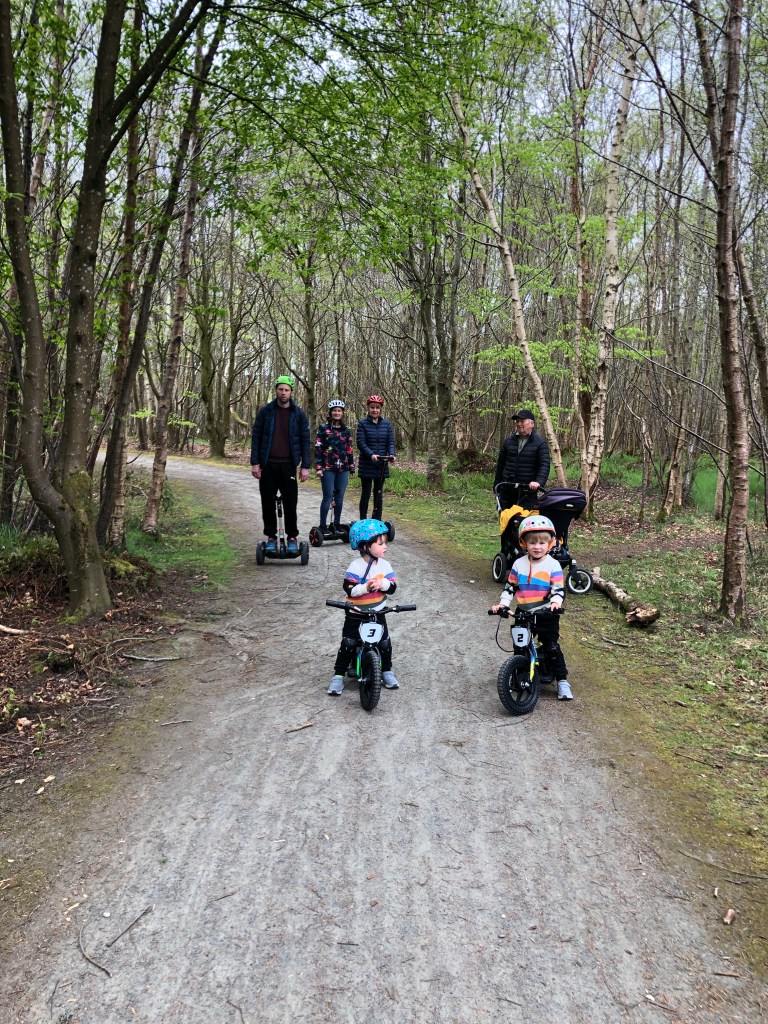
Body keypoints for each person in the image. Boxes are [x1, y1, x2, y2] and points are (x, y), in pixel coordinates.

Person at [491, 513, 573, 701]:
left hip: (546, 612)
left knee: (551, 646)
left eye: (542, 543)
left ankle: (562, 681)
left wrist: (555, 603)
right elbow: (510, 588)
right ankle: (521, 672)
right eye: (532, 542)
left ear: (550, 543)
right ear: (524, 543)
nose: (537, 547)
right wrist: (502, 605)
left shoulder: (553, 565)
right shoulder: (518, 564)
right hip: (523, 612)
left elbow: (558, 589)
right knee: (520, 646)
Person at [327, 518, 401, 695]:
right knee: (348, 643)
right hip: (356, 613)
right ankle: (338, 676)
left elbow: (392, 587)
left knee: (384, 643)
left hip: (378, 612)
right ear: (365, 546)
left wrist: (382, 584)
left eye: (385, 542)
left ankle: (386, 670)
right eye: (380, 543)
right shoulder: (356, 566)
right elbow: (350, 589)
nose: (385, 546)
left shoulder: (385, 565)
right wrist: (365, 587)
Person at [250, 375, 311, 553]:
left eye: (286, 390)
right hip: (268, 464)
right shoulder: (266, 412)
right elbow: (256, 438)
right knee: (267, 503)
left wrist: (305, 466)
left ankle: (292, 537)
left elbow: (305, 440)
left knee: (290, 503)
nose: (283, 393)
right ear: (276, 390)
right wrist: (255, 463)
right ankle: (270, 537)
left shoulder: (298, 414)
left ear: (291, 392)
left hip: (288, 465)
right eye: (280, 389)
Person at [315, 400, 355, 532]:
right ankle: (322, 525)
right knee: (327, 496)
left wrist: (352, 466)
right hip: (327, 468)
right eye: (334, 410)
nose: (337, 413)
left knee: (340, 497)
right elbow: (318, 448)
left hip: (342, 468)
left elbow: (349, 449)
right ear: (330, 412)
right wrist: (319, 467)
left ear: (342, 413)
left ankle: (336, 524)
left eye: (339, 411)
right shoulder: (323, 429)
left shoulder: (346, 431)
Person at [356, 394, 395, 521]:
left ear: (381, 409)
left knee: (378, 494)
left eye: (377, 407)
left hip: (381, 464)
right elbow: (361, 443)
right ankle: (363, 519)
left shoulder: (386, 424)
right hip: (367, 464)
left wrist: (392, 454)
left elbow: (390, 442)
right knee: (366, 493)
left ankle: (377, 519)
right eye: (372, 407)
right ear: (368, 408)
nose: (375, 410)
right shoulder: (362, 424)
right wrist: (371, 454)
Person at [494, 408, 550, 494]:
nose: (519, 424)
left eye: (522, 421)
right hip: (507, 488)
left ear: (532, 423)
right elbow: (500, 465)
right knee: (505, 508)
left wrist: (538, 482)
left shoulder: (540, 442)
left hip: (527, 490)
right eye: (517, 421)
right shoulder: (508, 441)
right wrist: (497, 484)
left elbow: (544, 465)